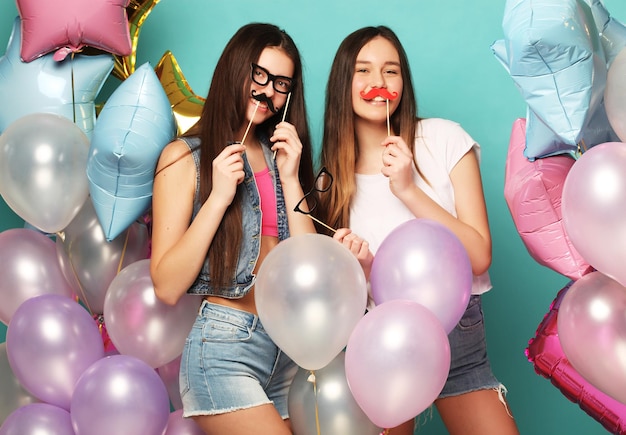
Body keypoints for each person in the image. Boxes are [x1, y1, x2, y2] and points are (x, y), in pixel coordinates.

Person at [316, 26, 520, 435]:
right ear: (344, 83)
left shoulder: (443, 138)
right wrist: (367, 264)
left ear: (403, 83)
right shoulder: (331, 180)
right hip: (386, 344)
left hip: (459, 336)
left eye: (391, 71)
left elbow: (479, 255)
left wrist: (408, 190)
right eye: (364, 71)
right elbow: (348, 296)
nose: (378, 83)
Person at [150, 23, 316, 435]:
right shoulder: (184, 158)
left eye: (281, 83)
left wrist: (293, 179)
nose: (267, 91)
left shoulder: (284, 157)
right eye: (258, 74)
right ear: (234, 69)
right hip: (225, 350)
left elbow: (309, 267)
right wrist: (219, 198)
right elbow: (166, 286)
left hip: (289, 351)